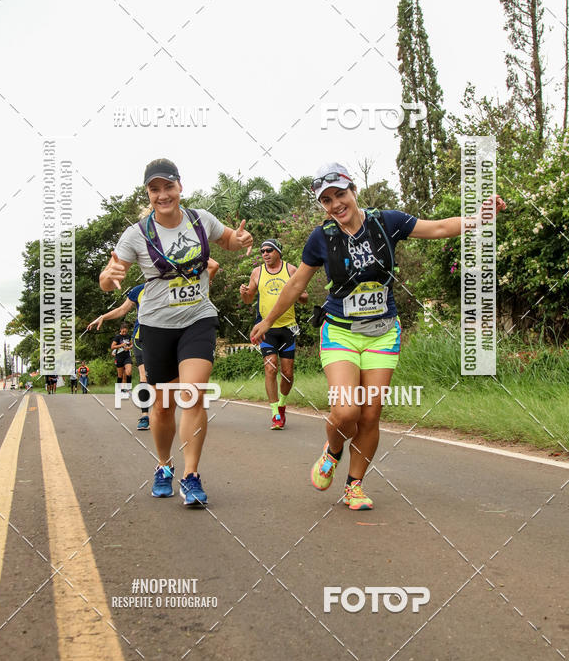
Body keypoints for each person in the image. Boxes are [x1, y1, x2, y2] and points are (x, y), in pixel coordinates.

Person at [251, 162, 506, 511]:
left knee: (370, 416)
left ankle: (354, 485)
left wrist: (479, 218)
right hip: (340, 332)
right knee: (346, 411)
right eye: (326, 200)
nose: (335, 204)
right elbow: (297, 284)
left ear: (353, 190)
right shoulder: (321, 238)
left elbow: (439, 228)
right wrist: (267, 321)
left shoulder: (387, 222)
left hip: (382, 333)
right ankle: (333, 449)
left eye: (340, 194)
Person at [99, 158, 253, 508]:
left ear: (180, 186)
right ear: (148, 194)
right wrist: (109, 278)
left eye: (168, 186)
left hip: (197, 318)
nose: (163, 194)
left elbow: (229, 241)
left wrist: (243, 238)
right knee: (163, 406)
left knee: (193, 394)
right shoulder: (136, 234)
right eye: (155, 189)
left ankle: (192, 475)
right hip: (155, 326)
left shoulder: (200, 220)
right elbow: (109, 278)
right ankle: (164, 465)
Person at [88, 260, 220, 431]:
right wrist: (103, 317)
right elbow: (122, 310)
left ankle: (180, 411)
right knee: (144, 377)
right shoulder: (137, 290)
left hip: (168, 335)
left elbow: (206, 275)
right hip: (141, 338)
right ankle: (145, 416)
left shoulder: (174, 284)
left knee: (176, 379)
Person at [240, 239, 308, 429]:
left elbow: (304, 298)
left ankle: (282, 404)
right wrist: (244, 293)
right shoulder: (257, 272)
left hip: (288, 328)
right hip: (266, 329)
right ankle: (275, 414)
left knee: (287, 373)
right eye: (262, 251)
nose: (265, 253)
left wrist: (297, 295)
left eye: (269, 250)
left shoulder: (291, 270)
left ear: (278, 251)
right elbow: (248, 299)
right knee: (270, 369)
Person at [111, 322, 133, 403]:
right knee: (120, 375)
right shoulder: (117, 337)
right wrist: (121, 345)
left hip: (127, 356)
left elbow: (132, 344)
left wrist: (129, 347)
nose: (124, 333)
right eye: (123, 331)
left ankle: (129, 390)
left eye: (125, 331)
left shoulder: (128, 336)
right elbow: (112, 347)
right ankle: (118, 391)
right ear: (120, 330)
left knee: (128, 372)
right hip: (119, 357)